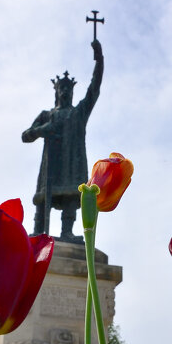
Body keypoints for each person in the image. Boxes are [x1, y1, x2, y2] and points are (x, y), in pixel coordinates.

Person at [22, 39, 104, 241]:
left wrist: (99, 60)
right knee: (44, 198)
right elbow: (26, 135)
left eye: (68, 90)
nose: (65, 92)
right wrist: (43, 129)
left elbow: (94, 89)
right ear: (57, 92)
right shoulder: (47, 115)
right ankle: (39, 230)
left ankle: (67, 231)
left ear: (72, 92)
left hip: (71, 166)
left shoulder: (78, 113)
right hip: (51, 166)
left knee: (71, 196)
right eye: (62, 89)